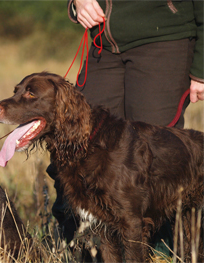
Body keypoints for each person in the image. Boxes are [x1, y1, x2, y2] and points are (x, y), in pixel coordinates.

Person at [48, 0, 204, 260]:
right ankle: (82, 253)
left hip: (165, 40)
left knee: (155, 159)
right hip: (103, 44)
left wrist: (201, 68)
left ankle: (164, 251)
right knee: (73, 146)